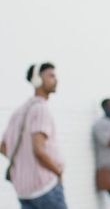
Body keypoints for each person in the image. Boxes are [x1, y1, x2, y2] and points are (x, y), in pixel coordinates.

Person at [0, 62, 67, 209]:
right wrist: (58, 171)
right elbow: (39, 150)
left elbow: (3, 146)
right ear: (37, 80)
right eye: (51, 76)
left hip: (23, 191)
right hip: (45, 187)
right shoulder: (41, 109)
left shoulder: (18, 112)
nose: (56, 80)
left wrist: (23, 161)